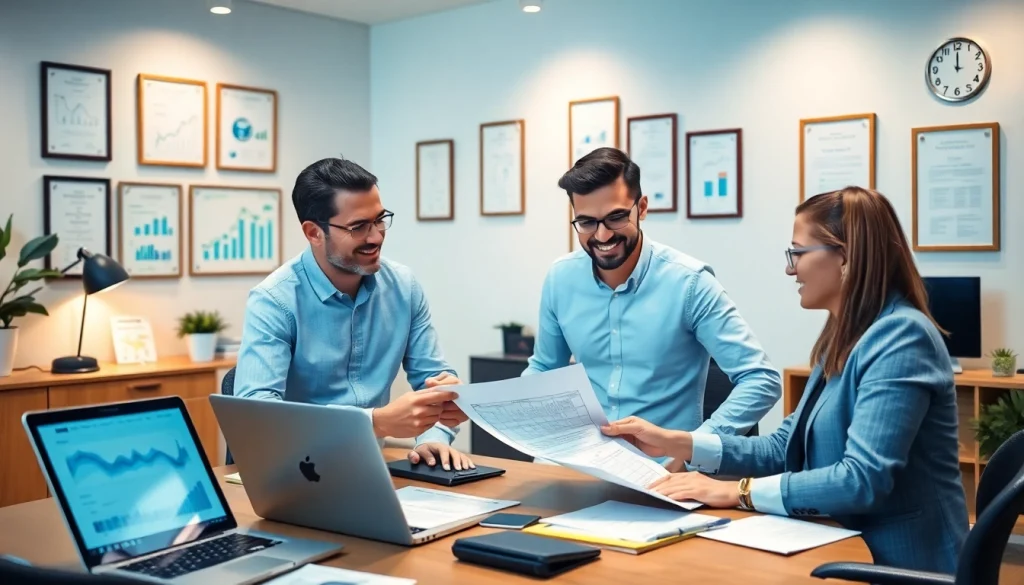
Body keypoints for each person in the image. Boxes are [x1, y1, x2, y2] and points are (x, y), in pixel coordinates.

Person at [601, 186, 969, 572]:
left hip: (902, 564)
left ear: (845, 256)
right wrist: (679, 442)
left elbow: (862, 479)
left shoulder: (901, 338)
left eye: (797, 253)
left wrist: (736, 492)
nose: (790, 269)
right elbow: (784, 446)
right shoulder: (844, 336)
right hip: (838, 544)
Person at [524, 147, 781, 442]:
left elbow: (761, 380)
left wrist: (694, 449)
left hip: (663, 472)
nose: (603, 235)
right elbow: (545, 368)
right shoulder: (561, 278)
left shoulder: (690, 283)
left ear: (642, 208)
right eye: (586, 223)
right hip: (579, 458)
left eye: (616, 217)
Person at [234, 157, 474, 471]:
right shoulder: (274, 300)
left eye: (379, 220)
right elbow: (257, 417)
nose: (375, 237)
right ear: (313, 233)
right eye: (358, 227)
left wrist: (435, 435)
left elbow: (435, 384)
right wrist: (375, 422)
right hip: (295, 469)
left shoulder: (403, 287)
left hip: (370, 468)